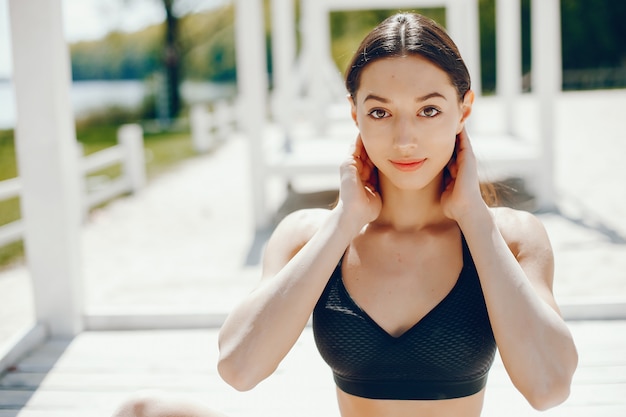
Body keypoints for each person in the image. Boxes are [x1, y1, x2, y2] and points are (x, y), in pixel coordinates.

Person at [112, 12, 577, 417]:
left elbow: (549, 388)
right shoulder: (308, 234)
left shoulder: (511, 238)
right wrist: (343, 221)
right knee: (142, 413)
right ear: (354, 113)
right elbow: (239, 367)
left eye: (429, 110)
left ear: (464, 110)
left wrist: (474, 217)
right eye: (380, 113)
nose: (404, 139)